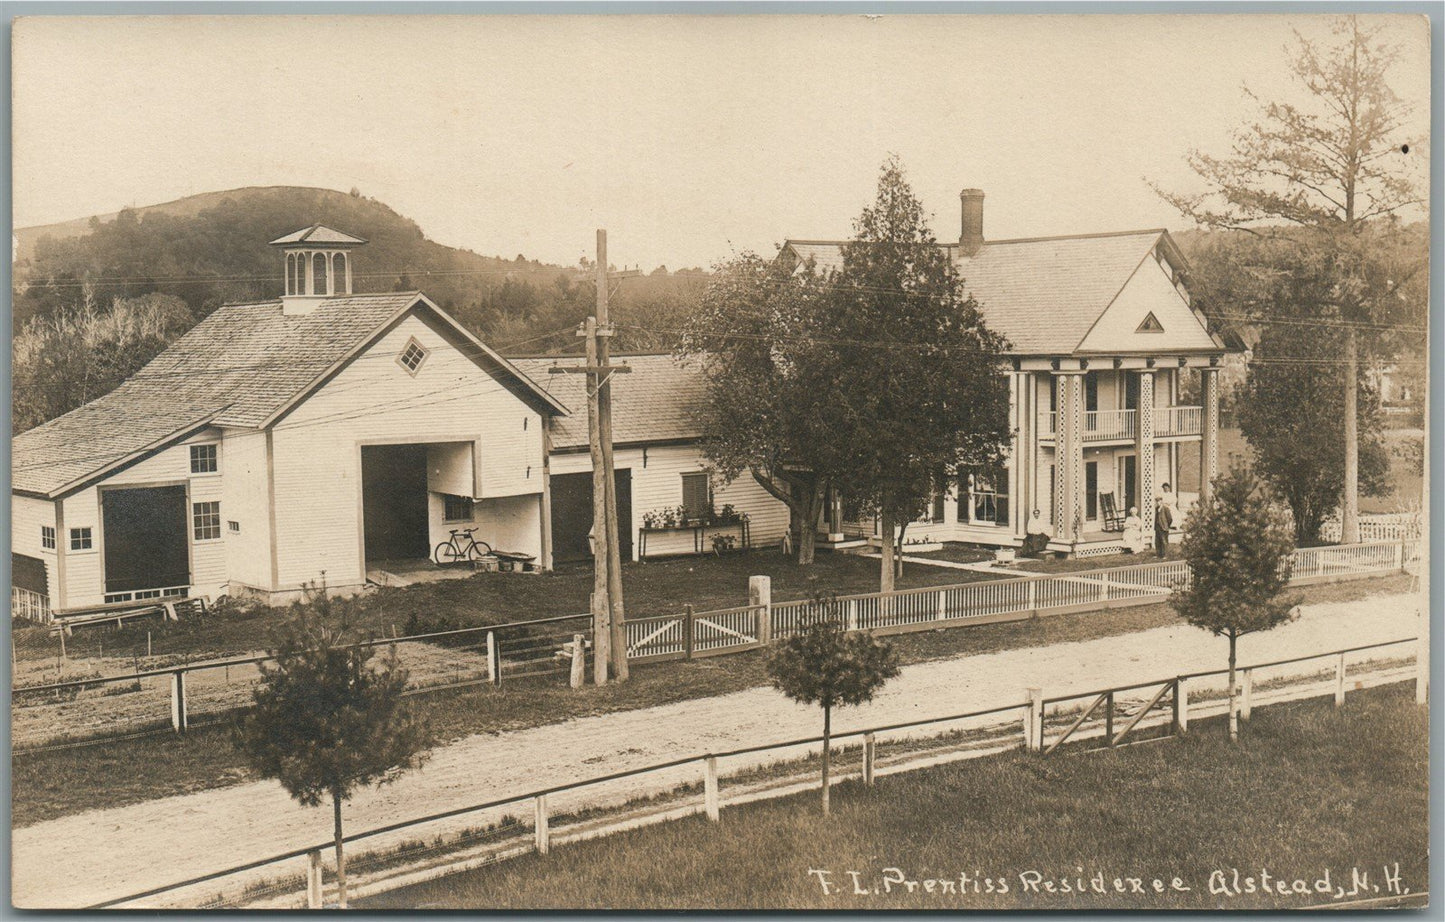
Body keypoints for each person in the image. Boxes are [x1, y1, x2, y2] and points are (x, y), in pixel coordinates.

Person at [1154, 494, 1173, 558]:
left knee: (1164, 541)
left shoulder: (1165, 508)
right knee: (1157, 541)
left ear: (1161, 501)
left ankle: (1165, 555)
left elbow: (1170, 518)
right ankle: (1158, 554)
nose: (1157, 503)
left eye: (1159, 501)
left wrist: (1167, 525)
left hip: (1164, 527)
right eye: (1156, 501)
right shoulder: (1157, 508)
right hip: (1157, 527)